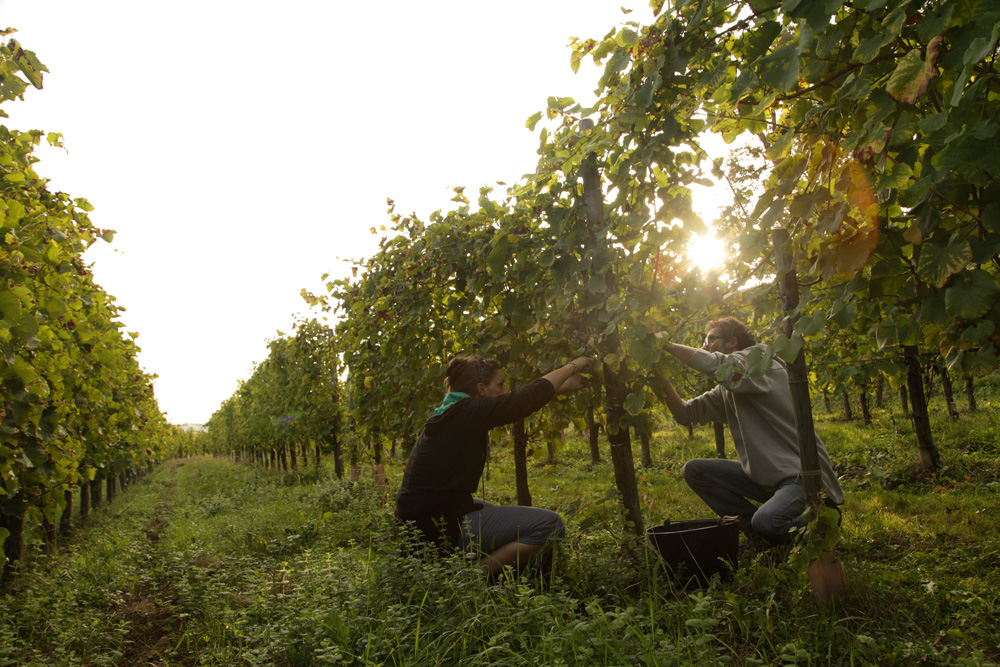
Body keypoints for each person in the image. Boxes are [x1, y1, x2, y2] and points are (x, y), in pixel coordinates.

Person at [395, 354, 591, 576]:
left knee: (499, 516)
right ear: (481, 389)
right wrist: (573, 365)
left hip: (424, 518)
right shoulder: (466, 413)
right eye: (500, 384)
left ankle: (503, 581)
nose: (505, 390)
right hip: (434, 528)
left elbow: (513, 400)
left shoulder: (454, 411)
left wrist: (561, 387)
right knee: (550, 525)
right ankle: (470, 578)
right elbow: (523, 401)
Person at [656, 317, 843, 545]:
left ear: (733, 341)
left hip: (803, 477)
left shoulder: (761, 364)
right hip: (769, 480)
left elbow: (715, 364)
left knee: (768, 522)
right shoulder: (729, 385)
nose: (705, 347)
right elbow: (686, 414)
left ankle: (822, 519)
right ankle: (756, 530)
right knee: (695, 470)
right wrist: (661, 377)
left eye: (710, 340)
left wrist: (665, 345)